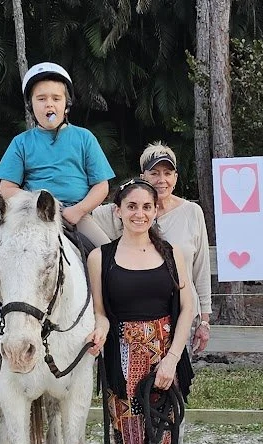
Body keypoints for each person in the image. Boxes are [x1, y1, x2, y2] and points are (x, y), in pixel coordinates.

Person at [0, 62, 114, 322]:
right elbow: (6, 188)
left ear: (67, 104)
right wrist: (30, 207)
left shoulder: (85, 138)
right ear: (31, 105)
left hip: (74, 213)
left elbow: (102, 186)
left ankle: (116, 325)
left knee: (111, 256)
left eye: (56, 98)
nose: (49, 105)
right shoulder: (21, 142)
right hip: (27, 215)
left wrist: (78, 210)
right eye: (41, 99)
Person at [86, 178, 198, 444]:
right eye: (131, 206)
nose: (139, 214)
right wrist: (99, 330)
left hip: (165, 364)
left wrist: (171, 360)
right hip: (124, 363)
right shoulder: (101, 257)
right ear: (118, 210)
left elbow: (185, 310)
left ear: (155, 211)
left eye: (146, 207)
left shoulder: (173, 254)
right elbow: (101, 310)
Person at [88, 141, 212, 352]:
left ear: (175, 177)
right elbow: (86, 217)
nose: (161, 180)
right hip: (131, 318)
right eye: (154, 173)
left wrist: (205, 319)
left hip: (181, 313)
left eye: (167, 173)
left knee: (174, 374)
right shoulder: (124, 211)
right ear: (143, 176)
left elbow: (201, 266)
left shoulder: (192, 212)